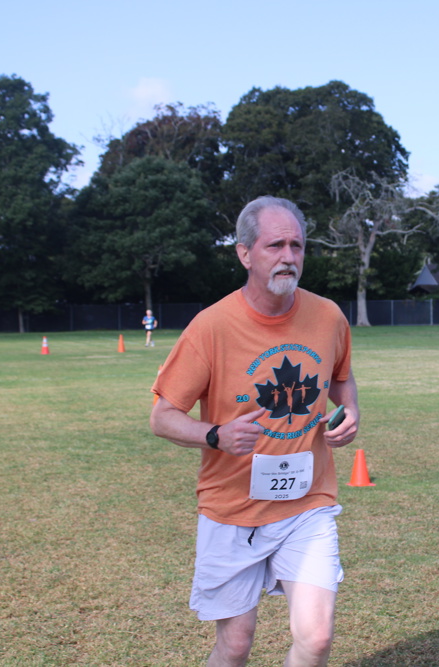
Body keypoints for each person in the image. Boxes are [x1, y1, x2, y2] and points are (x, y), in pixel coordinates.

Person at [150, 195, 359, 667]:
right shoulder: (211, 327)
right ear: (245, 254)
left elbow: (341, 377)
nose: (288, 256)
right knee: (236, 645)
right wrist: (215, 435)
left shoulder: (328, 316)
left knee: (316, 638)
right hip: (231, 510)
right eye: (275, 246)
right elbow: (162, 416)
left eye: (296, 246)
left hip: (307, 504)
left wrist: (350, 411)